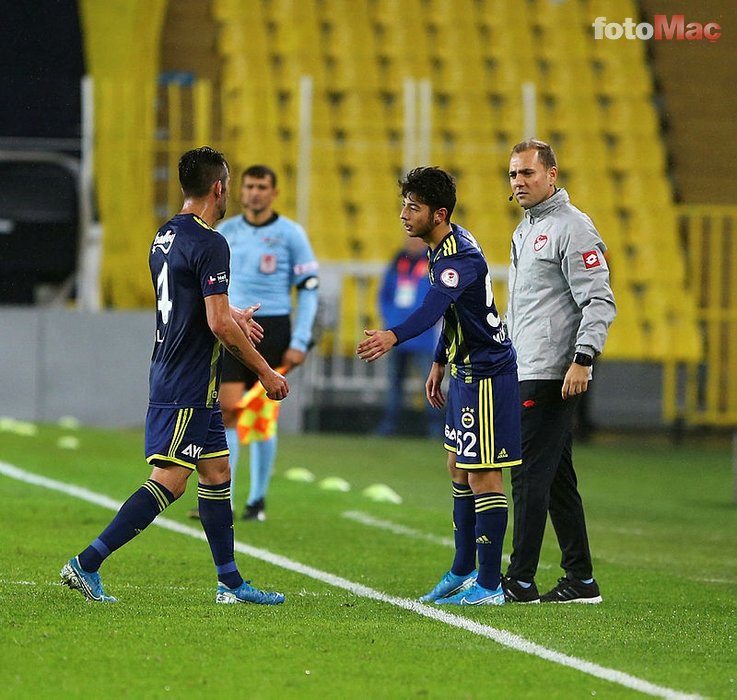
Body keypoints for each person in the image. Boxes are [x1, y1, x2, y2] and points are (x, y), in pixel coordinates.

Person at [60, 146, 289, 605]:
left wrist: (232, 314)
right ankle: (86, 563)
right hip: (186, 379)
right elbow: (216, 324)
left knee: (218, 471)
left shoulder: (164, 236)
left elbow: (197, 307)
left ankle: (230, 584)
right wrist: (265, 371)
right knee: (171, 479)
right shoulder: (211, 241)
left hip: (182, 373)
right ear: (219, 187)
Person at [357, 167, 521, 606]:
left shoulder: (458, 257)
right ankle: (464, 569)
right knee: (457, 468)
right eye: (404, 205)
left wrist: (392, 336)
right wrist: (437, 362)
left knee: (484, 475)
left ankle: (489, 585)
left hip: (487, 373)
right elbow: (456, 313)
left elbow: (433, 308)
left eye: (414, 207)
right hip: (465, 370)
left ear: (439, 213)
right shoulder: (441, 246)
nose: (404, 215)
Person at [502, 138, 616, 604]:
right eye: (513, 174)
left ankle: (520, 580)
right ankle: (581, 579)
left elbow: (599, 300)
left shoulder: (574, 228)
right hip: (524, 366)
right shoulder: (524, 230)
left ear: (552, 175)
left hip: (553, 371)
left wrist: (583, 358)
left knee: (528, 473)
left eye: (527, 173)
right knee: (556, 478)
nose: (519, 182)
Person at [189, 164, 319, 522]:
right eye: (248, 186)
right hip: (233, 325)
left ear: (274, 193)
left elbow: (309, 289)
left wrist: (301, 339)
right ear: (239, 190)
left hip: (274, 326)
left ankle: (257, 500)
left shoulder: (290, 234)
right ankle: (224, 499)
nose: (255, 193)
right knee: (228, 409)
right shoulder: (226, 232)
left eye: (262, 186)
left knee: (261, 417)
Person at [376, 235, 443, 438]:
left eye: (415, 240)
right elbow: (384, 295)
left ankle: (436, 428)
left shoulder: (433, 263)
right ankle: (390, 425)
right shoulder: (397, 262)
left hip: (421, 335)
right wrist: (390, 319)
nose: (410, 243)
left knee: (430, 383)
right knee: (394, 382)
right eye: (408, 239)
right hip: (395, 334)